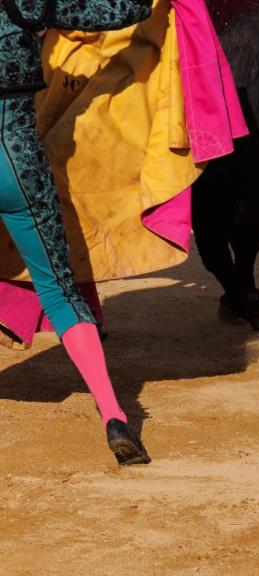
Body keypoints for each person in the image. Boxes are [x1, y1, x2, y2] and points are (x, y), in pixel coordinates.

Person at [0, 0, 155, 464]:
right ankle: (114, 416)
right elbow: (118, 11)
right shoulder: (27, 2)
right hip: (18, 164)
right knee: (60, 292)